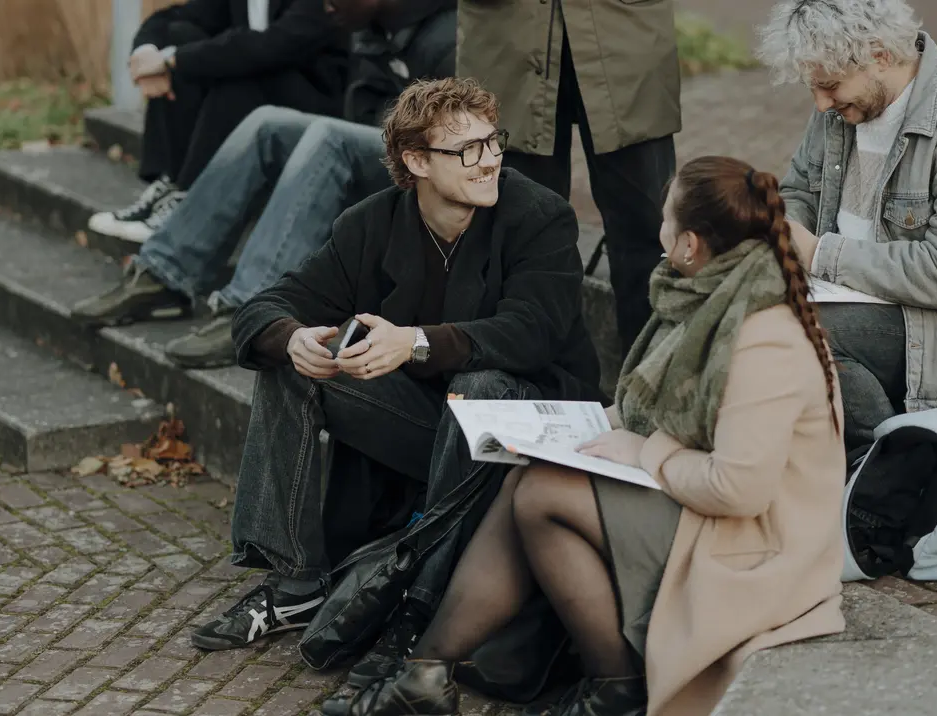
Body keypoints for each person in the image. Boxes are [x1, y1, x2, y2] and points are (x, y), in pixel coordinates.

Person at [320, 156, 847, 716]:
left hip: (755, 540)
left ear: (690, 243)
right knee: (530, 481)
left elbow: (738, 489)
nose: (658, 230)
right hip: (706, 504)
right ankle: (430, 673)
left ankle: (601, 683)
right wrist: (566, 428)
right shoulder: (706, 297)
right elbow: (654, 411)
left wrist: (646, 451)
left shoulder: (765, 340)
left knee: (545, 496)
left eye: (666, 219)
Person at [188, 79, 605, 677]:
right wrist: (293, 338)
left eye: (493, 141)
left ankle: (419, 610)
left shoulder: (539, 216)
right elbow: (264, 307)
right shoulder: (372, 224)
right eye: (466, 150)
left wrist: (413, 342)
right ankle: (295, 582)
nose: (489, 160)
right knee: (294, 367)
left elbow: (530, 331)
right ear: (416, 162)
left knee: (480, 385)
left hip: (532, 430)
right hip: (432, 430)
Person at [72, 0, 456, 369]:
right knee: (267, 122)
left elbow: (458, 143)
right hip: (379, 144)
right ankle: (165, 272)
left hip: (425, 166)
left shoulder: (446, 35)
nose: (325, 5)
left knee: (328, 137)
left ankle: (253, 310)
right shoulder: (372, 30)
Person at [758, 0, 937, 450]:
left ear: (880, 56)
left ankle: (891, 484)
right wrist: (780, 239)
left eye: (830, 86)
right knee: (737, 306)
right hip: (855, 296)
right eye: (813, 87)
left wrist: (818, 253)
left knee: (800, 335)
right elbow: (797, 192)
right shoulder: (840, 110)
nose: (820, 104)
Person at [456, 0, 680, 356]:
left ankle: (654, 387)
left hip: (627, 33)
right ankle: (529, 384)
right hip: (506, 38)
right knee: (516, 233)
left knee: (652, 231)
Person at [88, 0, 350, 243]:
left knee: (231, 73)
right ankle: (173, 183)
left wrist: (172, 60)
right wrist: (147, 53)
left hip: (317, 97)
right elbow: (176, 17)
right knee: (182, 34)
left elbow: (273, 46)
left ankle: (191, 200)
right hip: (261, 80)